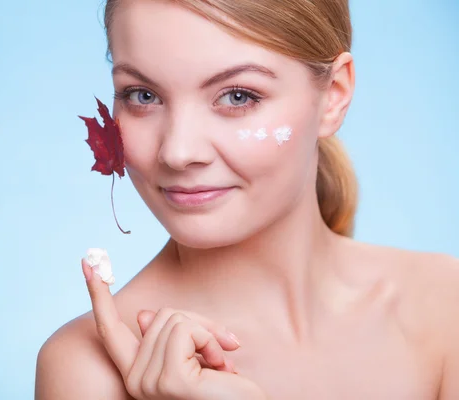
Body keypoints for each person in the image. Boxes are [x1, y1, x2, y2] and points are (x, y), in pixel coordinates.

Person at [35, 0, 459, 398]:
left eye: (238, 96)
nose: (178, 152)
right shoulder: (88, 369)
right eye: (142, 95)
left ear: (333, 95)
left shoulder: (445, 305)